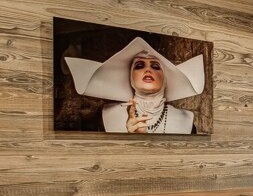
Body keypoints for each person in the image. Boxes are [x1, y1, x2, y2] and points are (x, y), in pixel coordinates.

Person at [64, 37, 205, 134]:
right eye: (139, 66)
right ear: (131, 78)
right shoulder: (103, 116)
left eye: (155, 66)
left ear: (165, 79)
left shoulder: (186, 122)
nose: (148, 70)